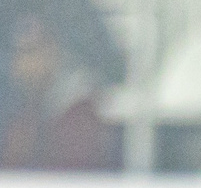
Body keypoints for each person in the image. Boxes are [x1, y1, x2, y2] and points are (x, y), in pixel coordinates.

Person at [1, 11, 117, 170]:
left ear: (54, 50)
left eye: (30, 52)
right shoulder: (27, 106)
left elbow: (67, 179)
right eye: (16, 54)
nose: (20, 64)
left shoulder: (80, 114)